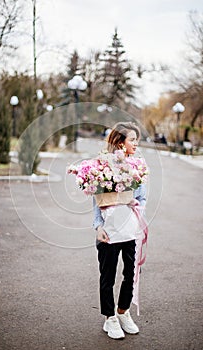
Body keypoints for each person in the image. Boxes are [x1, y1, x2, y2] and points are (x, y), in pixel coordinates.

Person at [93, 122, 147, 340]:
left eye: (136, 140)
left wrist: (134, 206)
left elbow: (142, 197)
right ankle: (109, 318)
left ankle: (123, 312)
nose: (135, 144)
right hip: (108, 231)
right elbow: (97, 202)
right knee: (108, 275)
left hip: (129, 230)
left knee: (130, 273)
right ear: (119, 142)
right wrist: (98, 227)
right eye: (132, 139)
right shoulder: (103, 167)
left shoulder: (137, 167)